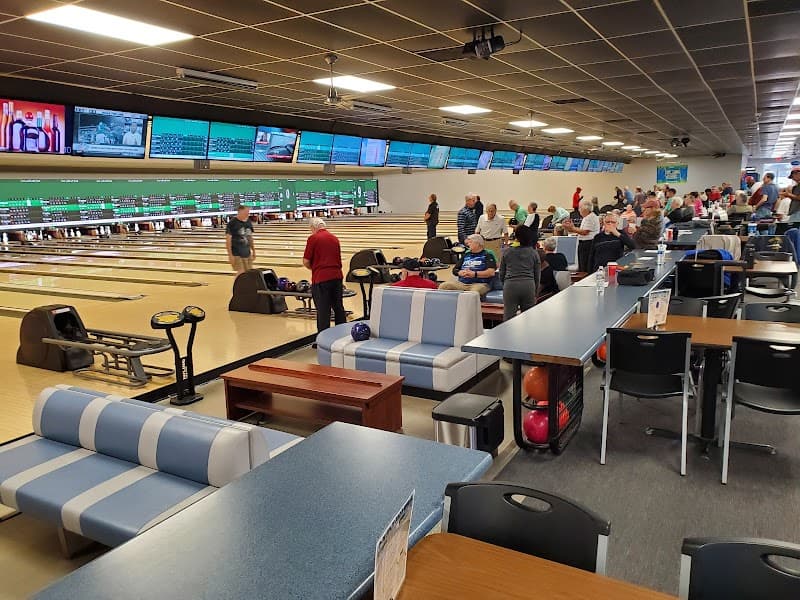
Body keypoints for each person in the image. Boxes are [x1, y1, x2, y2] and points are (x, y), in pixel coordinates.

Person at [302, 217, 346, 333]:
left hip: (321, 279)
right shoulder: (334, 238)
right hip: (337, 277)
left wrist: (315, 269)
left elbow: (306, 261)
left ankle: (323, 340)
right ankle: (342, 336)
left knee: (323, 311)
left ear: (313, 227)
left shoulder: (313, 238)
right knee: (338, 307)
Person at [499, 225, 540, 322]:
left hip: (510, 285)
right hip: (528, 285)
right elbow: (537, 275)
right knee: (529, 318)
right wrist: (536, 291)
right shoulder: (533, 253)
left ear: (516, 236)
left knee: (509, 317)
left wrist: (505, 284)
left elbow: (502, 272)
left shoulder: (507, 252)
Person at [564, 199, 600, 273]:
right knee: (582, 264)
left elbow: (585, 232)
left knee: (585, 264)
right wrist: (571, 227)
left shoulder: (591, 217)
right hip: (585, 243)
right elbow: (581, 230)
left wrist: (572, 228)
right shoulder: (586, 217)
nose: (579, 210)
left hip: (588, 244)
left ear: (585, 210)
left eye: (580, 208)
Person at [226, 204, 255, 274]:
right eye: (246, 212)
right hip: (237, 254)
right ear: (240, 212)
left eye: (248, 212)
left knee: (249, 273)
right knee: (241, 273)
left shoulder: (248, 222)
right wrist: (230, 255)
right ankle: (236, 285)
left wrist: (253, 250)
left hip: (247, 253)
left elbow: (250, 237)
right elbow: (228, 240)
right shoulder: (232, 223)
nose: (248, 214)